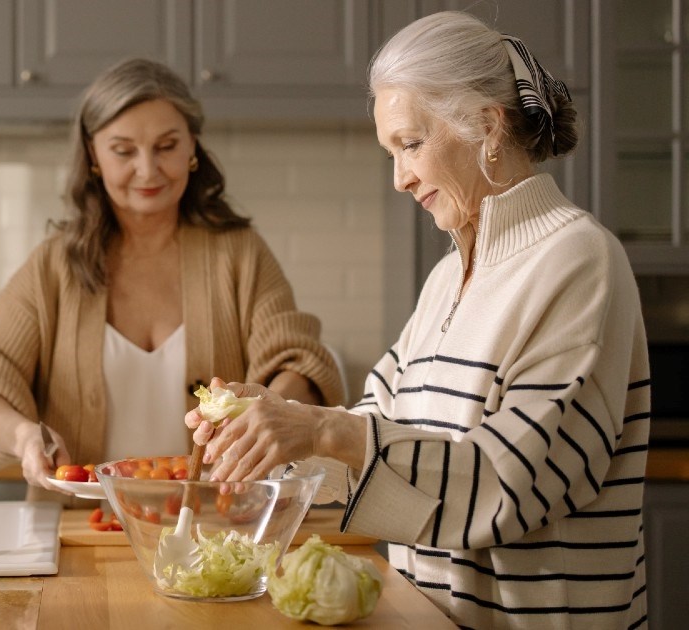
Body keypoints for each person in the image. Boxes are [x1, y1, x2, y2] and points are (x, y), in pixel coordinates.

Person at [187, 12, 650, 629]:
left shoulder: (578, 259)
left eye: (410, 144)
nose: (400, 178)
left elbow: (509, 486)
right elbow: (373, 441)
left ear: (487, 126)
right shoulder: (447, 278)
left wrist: (321, 430)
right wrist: (274, 426)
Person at [0, 58, 344, 499]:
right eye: (124, 151)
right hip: (79, 532)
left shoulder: (240, 254)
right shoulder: (53, 267)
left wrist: (269, 412)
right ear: (93, 154)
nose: (148, 170)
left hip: (214, 527)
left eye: (166, 146)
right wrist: (23, 437)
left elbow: (298, 363)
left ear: (192, 147)